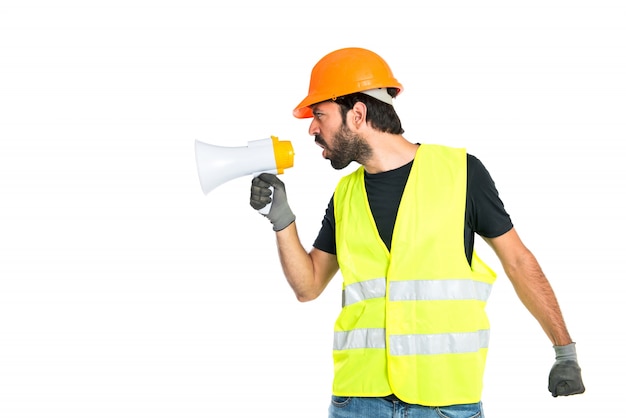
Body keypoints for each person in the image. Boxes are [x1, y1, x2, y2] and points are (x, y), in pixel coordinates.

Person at [249, 47, 585, 418]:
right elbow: (308, 286)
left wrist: (564, 351)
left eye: (319, 115)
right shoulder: (345, 194)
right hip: (356, 401)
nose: (312, 128)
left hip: (444, 403)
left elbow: (519, 261)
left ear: (357, 114)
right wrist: (282, 220)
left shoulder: (461, 173)